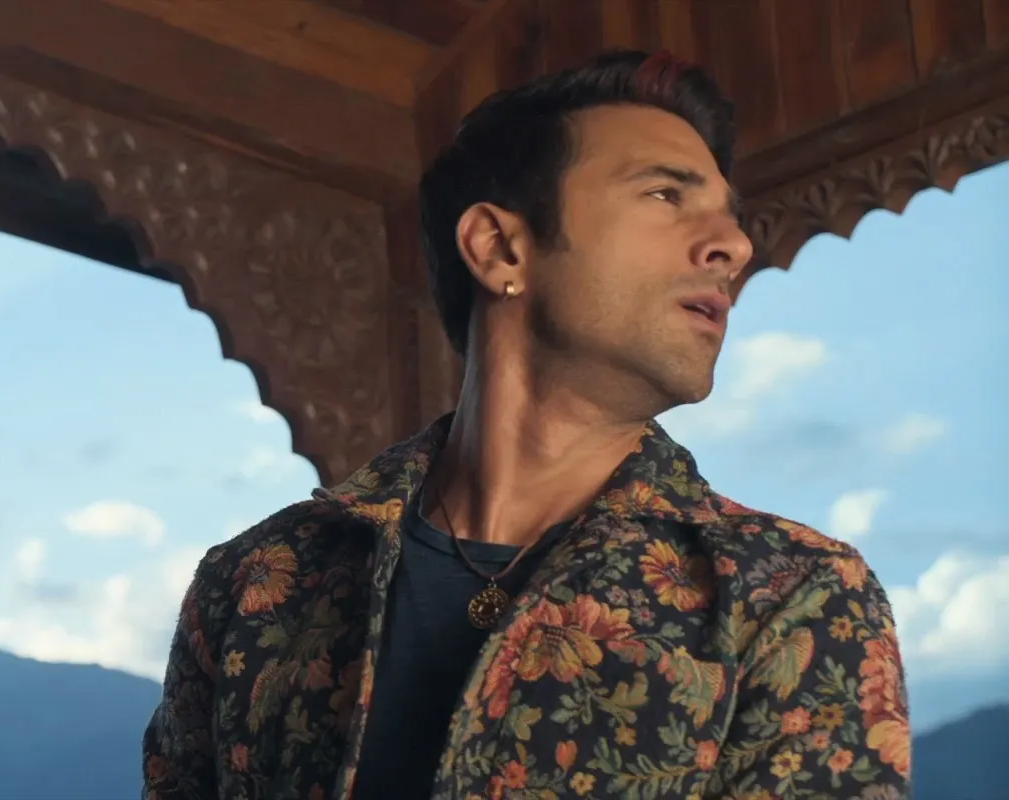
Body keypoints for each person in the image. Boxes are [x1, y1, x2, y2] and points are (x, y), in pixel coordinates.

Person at [142, 51, 910, 800]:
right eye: (665, 194)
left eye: (732, 220)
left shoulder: (793, 599)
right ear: (500, 247)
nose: (735, 247)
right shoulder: (255, 583)